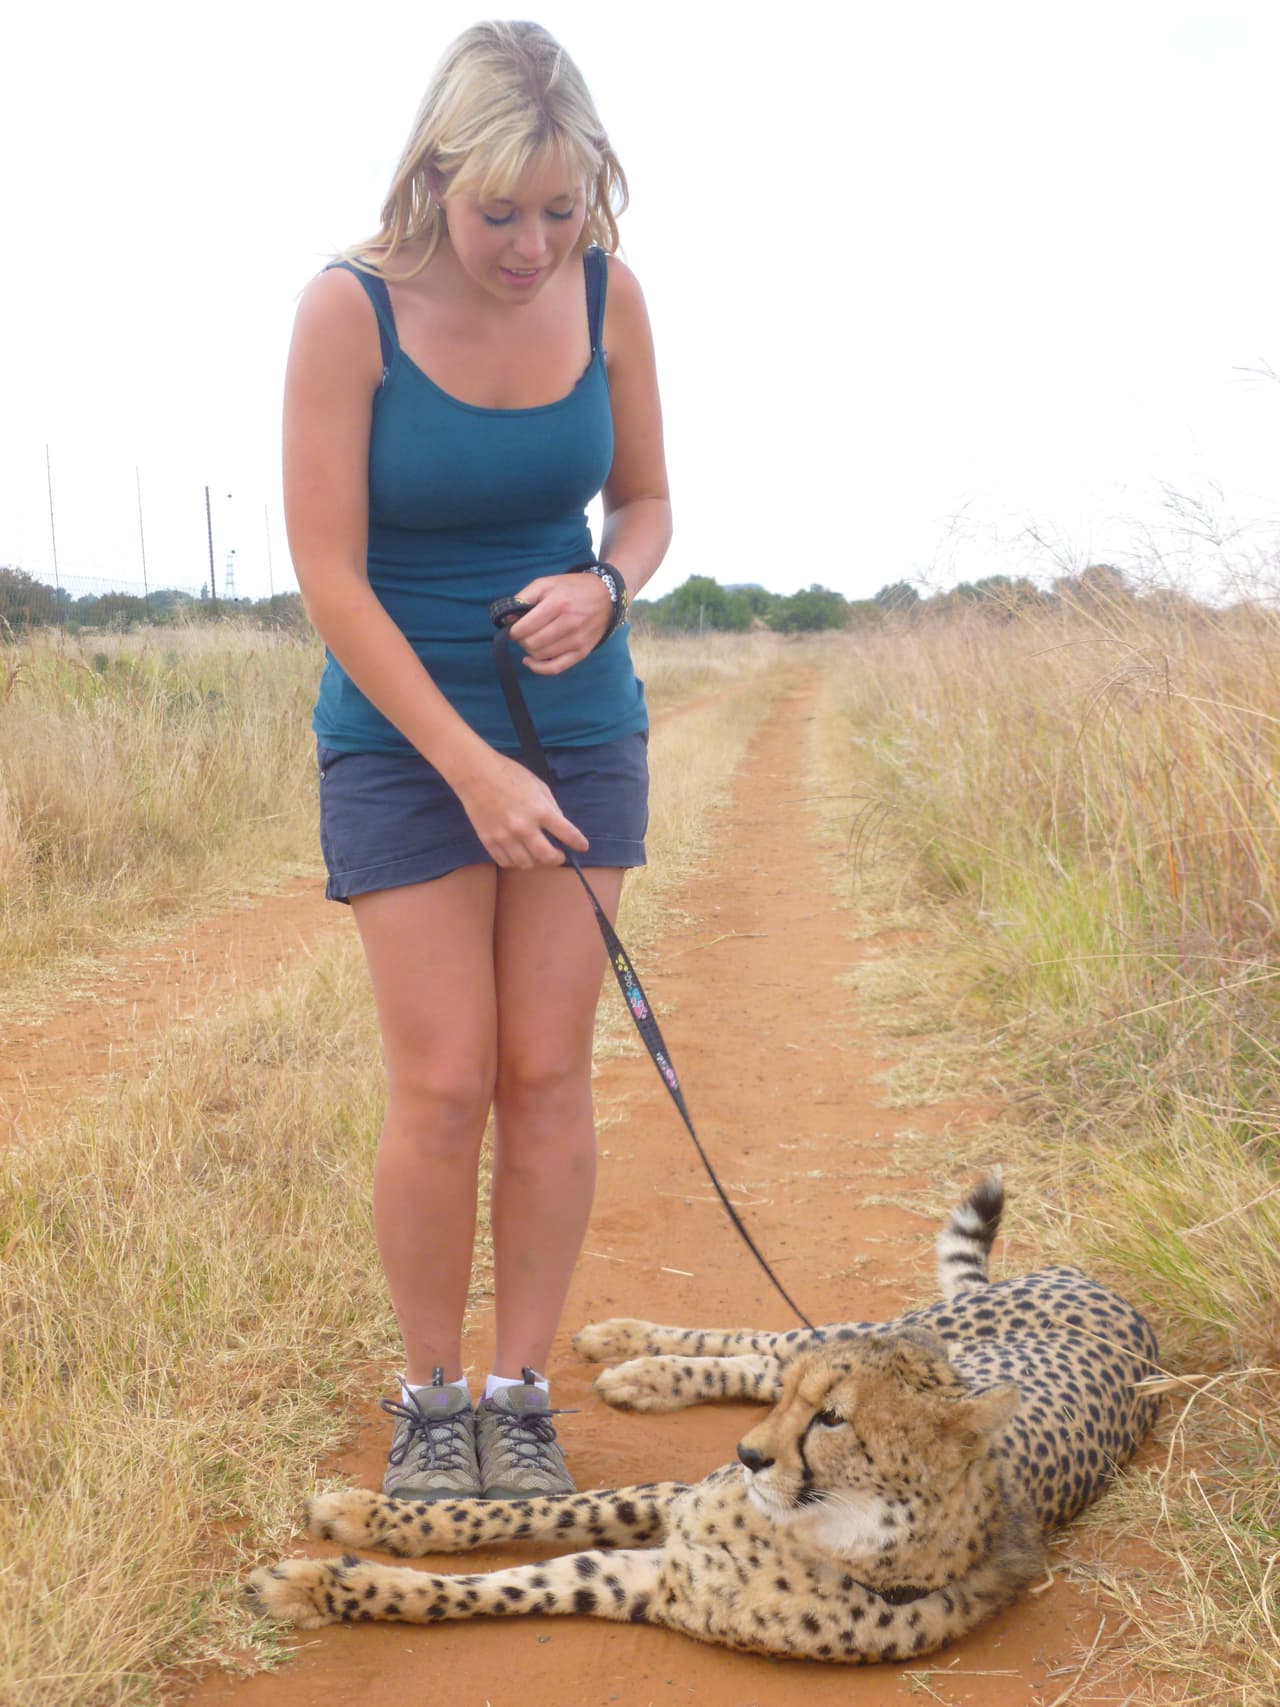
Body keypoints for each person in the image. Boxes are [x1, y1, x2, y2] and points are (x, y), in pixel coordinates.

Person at [282, 19, 670, 1502]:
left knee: (546, 1070)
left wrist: (612, 586)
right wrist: (467, 768)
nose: (532, 243)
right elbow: (329, 575)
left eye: (561, 210)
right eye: (501, 210)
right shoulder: (346, 311)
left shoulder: (611, 296)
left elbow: (645, 502)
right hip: (400, 737)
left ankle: (523, 1392)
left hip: (579, 729)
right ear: (436, 177)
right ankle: (433, 1401)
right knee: (445, 1081)